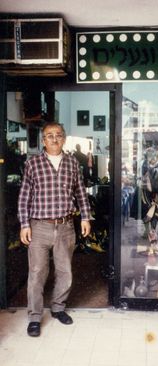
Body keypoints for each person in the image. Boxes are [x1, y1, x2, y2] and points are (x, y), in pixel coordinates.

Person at [18, 122, 91, 337]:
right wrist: (24, 224)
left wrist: (85, 217)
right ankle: (34, 317)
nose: (54, 139)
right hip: (39, 226)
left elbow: (81, 193)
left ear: (64, 138)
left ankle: (58, 308)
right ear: (43, 140)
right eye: (49, 136)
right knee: (38, 273)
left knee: (65, 271)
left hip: (66, 226)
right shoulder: (33, 164)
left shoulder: (72, 164)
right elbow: (24, 197)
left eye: (58, 135)